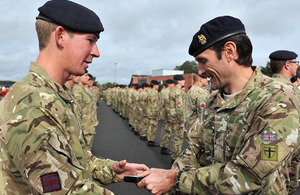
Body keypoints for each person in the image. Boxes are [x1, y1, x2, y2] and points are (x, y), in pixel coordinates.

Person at [137, 15, 300, 194]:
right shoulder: (215, 100)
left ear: (230, 51)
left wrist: (175, 179)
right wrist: (168, 177)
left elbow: (250, 177)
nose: (200, 71)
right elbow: (194, 150)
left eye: (203, 61)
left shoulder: (278, 98)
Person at [0, 1, 148, 194]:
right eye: (90, 40)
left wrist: (112, 170)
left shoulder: (57, 94)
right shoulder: (33, 103)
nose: (96, 52)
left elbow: (74, 161)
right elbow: (61, 189)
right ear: (60, 36)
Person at [169, 75, 186, 162]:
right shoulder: (178, 92)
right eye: (183, 80)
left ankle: (173, 156)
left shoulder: (173, 90)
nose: (184, 81)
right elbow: (179, 108)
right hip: (177, 118)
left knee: (174, 138)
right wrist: (182, 121)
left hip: (173, 117)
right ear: (179, 81)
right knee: (178, 139)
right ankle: (175, 159)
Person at [159, 79, 174, 155]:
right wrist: (169, 117)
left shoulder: (163, 91)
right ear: (170, 85)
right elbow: (168, 106)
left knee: (164, 131)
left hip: (163, 113)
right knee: (167, 132)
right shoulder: (168, 93)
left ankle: (163, 146)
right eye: (173, 84)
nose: (173, 85)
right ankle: (164, 148)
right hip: (166, 115)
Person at [147, 80, 160, 147]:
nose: (158, 86)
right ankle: (150, 140)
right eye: (157, 85)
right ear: (154, 85)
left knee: (152, 127)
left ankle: (151, 139)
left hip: (151, 112)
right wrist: (154, 114)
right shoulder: (153, 93)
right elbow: (153, 104)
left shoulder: (152, 91)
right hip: (153, 112)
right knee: (152, 127)